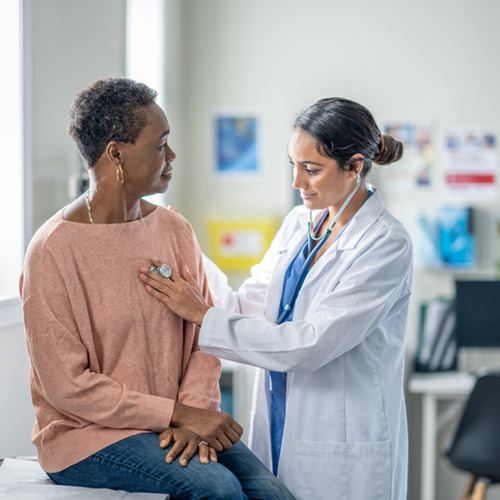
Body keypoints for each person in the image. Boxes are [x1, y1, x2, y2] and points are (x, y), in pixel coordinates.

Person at [19, 77, 294, 500]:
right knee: (216, 488)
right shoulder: (52, 251)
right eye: (160, 144)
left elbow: (202, 338)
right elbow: (67, 387)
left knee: (271, 493)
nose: (172, 155)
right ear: (116, 154)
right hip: (87, 436)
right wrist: (175, 414)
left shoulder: (174, 229)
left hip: (176, 421)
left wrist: (193, 414)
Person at [140, 97, 413, 500]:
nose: (297, 183)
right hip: (280, 425)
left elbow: (310, 344)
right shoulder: (298, 225)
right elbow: (244, 308)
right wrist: (188, 249)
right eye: (294, 165)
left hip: (343, 442)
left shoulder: (386, 244)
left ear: (355, 166)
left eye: (311, 169)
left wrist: (200, 313)